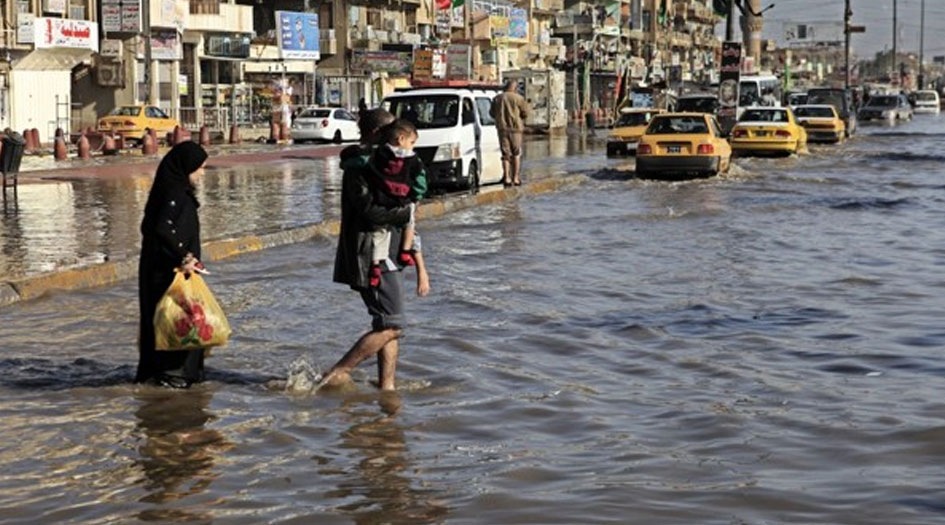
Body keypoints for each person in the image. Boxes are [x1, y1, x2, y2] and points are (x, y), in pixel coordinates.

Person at [320, 109, 426, 391]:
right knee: (393, 325)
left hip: (389, 254)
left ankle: (387, 388)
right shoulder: (361, 167)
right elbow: (370, 212)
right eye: (395, 134)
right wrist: (404, 213)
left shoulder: (389, 165)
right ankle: (337, 372)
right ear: (380, 134)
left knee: (387, 325)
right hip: (369, 254)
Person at [136, 142, 209, 388]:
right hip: (165, 274)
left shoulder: (174, 191)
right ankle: (173, 376)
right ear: (185, 168)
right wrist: (183, 257)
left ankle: (175, 374)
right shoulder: (173, 195)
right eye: (199, 168)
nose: (202, 173)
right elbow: (162, 228)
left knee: (180, 322)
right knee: (176, 322)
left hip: (167, 271)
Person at [366, 119, 429, 295]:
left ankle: (375, 265)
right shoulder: (412, 160)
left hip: (380, 205)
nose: (413, 147)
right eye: (412, 143)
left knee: (379, 234)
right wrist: (415, 198)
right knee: (409, 224)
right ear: (400, 139)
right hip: (401, 206)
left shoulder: (373, 158)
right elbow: (421, 185)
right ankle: (405, 252)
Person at [490, 79, 531, 187]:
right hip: (516, 129)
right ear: (515, 88)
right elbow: (525, 113)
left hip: (502, 129)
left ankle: (507, 178)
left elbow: (492, 113)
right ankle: (516, 178)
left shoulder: (497, 98)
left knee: (505, 154)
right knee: (516, 153)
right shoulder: (519, 98)